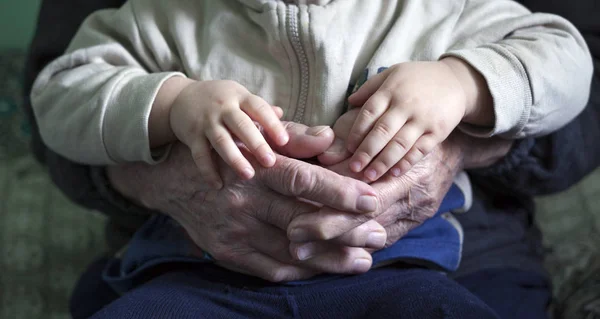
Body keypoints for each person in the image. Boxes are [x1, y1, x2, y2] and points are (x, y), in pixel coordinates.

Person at [21, 0, 600, 318]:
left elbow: (566, 57)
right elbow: (57, 96)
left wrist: (463, 82)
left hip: (402, 272)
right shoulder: (161, 15)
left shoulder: (441, 12)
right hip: (198, 275)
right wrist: (173, 103)